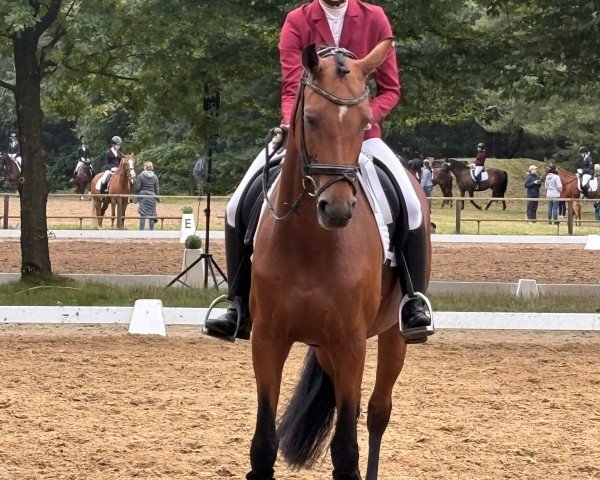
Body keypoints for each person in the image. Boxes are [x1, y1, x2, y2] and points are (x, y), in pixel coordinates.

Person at [204, 0, 432, 344]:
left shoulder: (375, 18)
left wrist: (363, 117)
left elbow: (391, 90)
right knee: (237, 204)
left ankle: (413, 301)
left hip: (361, 136)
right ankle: (238, 303)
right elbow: (291, 86)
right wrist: (291, 124)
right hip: (307, 135)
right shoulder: (297, 20)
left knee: (412, 206)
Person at [134, 161, 160, 230]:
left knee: (143, 214)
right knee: (152, 214)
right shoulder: (155, 177)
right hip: (152, 196)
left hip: (143, 196)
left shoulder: (140, 176)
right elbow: (157, 189)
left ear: (145, 167)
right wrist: (157, 197)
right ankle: (151, 230)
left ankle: (141, 230)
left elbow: (137, 188)